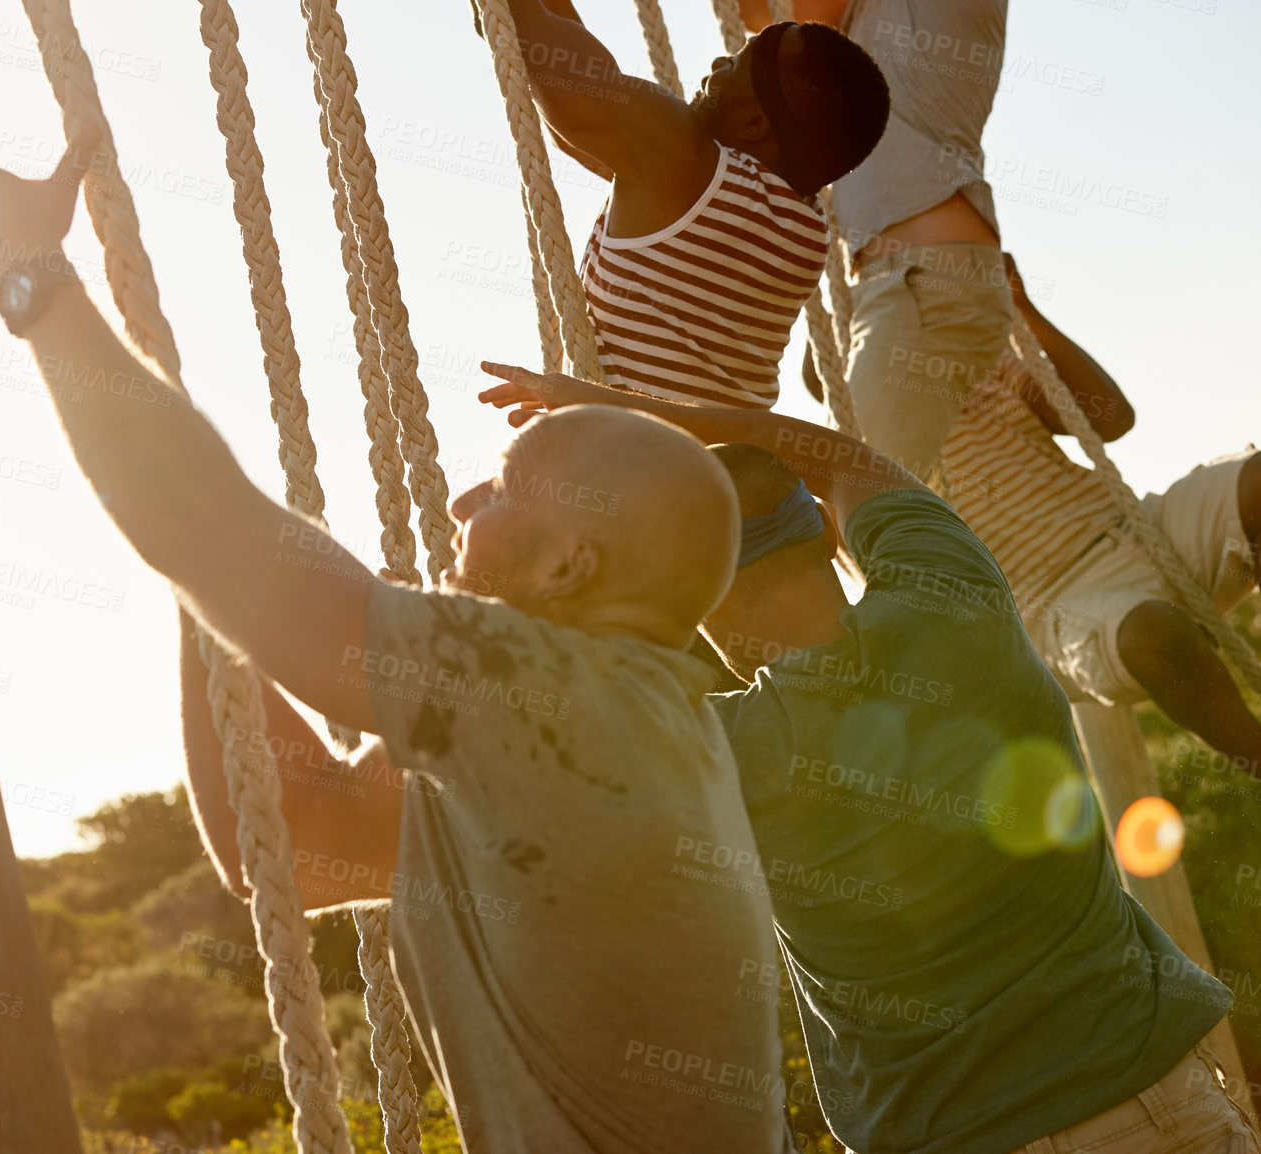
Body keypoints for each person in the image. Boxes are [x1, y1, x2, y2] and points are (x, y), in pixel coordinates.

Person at [0, 142, 792, 1151]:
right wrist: (208, 584)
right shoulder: (592, 740)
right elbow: (299, 837)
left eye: (508, 488)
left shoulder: (560, 699)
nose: (468, 499)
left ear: (570, 568)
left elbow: (216, 532)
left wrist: (33, 278)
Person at [481, 362, 1258, 1154]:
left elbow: (516, 701)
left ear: (688, 604)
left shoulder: (715, 753)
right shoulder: (954, 593)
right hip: (1156, 1109)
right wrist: (627, 409)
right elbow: (836, 455)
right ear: (825, 530)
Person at [932, 255, 1261, 779]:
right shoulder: (867, 454)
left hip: (1140, 531)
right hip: (1061, 605)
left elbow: (1112, 418)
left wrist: (1022, 309)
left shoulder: (984, 366)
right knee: (1153, 633)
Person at [506, 0, 888, 408]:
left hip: (626, 454)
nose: (718, 60)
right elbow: (592, 124)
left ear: (753, 123)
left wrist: (516, 19)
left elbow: (574, 89)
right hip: (710, 460)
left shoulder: (685, 158)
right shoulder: (803, 231)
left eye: (736, 63)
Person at [742, 0, 1012, 481]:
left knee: (859, 499)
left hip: (924, 283)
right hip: (902, 287)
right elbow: (764, 19)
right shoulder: (856, 35)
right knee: (861, 507)